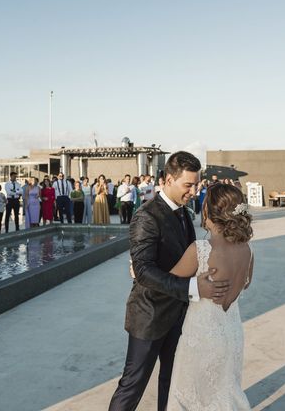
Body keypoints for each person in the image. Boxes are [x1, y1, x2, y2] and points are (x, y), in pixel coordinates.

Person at [108, 151, 230, 411]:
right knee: (133, 385)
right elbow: (143, 270)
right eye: (188, 185)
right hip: (149, 315)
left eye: (196, 184)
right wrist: (194, 287)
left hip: (180, 316)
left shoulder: (185, 214)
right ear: (167, 180)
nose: (194, 191)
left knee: (172, 384)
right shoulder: (146, 216)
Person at [167, 183, 254, 410]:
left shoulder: (201, 250)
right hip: (232, 334)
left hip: (201, 336)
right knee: (224, 395)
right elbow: (245, 284)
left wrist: (139, 271)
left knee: (189, 396)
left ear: (209, 210)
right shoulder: (248, 250)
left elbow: (168, 283)